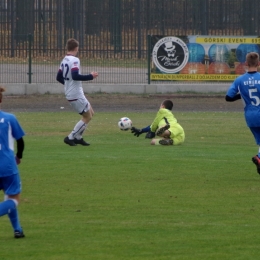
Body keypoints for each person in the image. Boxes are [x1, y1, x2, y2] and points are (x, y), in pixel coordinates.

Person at [56, 38, 98, 146]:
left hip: (73, 93)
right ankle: (70, 137)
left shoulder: (65, 59)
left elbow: (58, 77)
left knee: (91, 113)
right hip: (75, 94)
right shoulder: (74, 60)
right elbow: (75, 76)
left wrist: (68, 85)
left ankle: (78, 137)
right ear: (76, 48)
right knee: (87, 116)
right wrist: (91, 76)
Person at [225, 51, 260, 174]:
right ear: (258, 63)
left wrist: (242, 95)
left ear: (246, 63)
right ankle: (259, 158)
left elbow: (228, 97)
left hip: (250, 116)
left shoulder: (240, 80)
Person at [0, 86, 25, 238]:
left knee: (9, 197)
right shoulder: (9, 118)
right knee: (13, 198)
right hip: (7, 166)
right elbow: (20, 141)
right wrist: (19, 156)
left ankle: (18, 229)